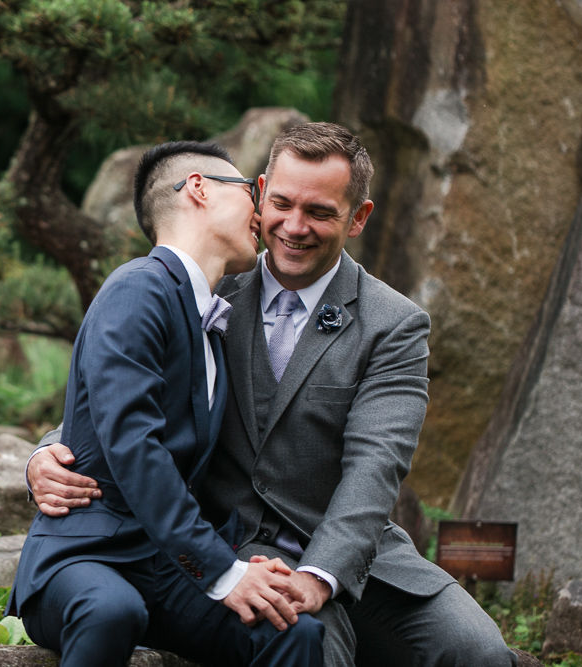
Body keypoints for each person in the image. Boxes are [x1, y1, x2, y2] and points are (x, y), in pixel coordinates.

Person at [28, 123, 517, 666]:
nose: (294, 226)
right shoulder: (209, 286)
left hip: (354, 554)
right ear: (259, 193)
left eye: (321, 212)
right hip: (232, 544)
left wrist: (322, 571)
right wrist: (47, 453)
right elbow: (123, 387)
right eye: (282, 203)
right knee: (309, 644)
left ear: (358, 217)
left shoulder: (394, 325)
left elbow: (375, 467)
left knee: (481, 653)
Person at [7, 141, 325, 667]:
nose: (263, 212)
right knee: (111, 610)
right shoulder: (138, 288)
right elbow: (132, 442)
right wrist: (224, 570)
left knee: (292, 632)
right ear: (199, 189)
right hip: (87, 557)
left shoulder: (212, 318)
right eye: (252, 191)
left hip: (166, 565)